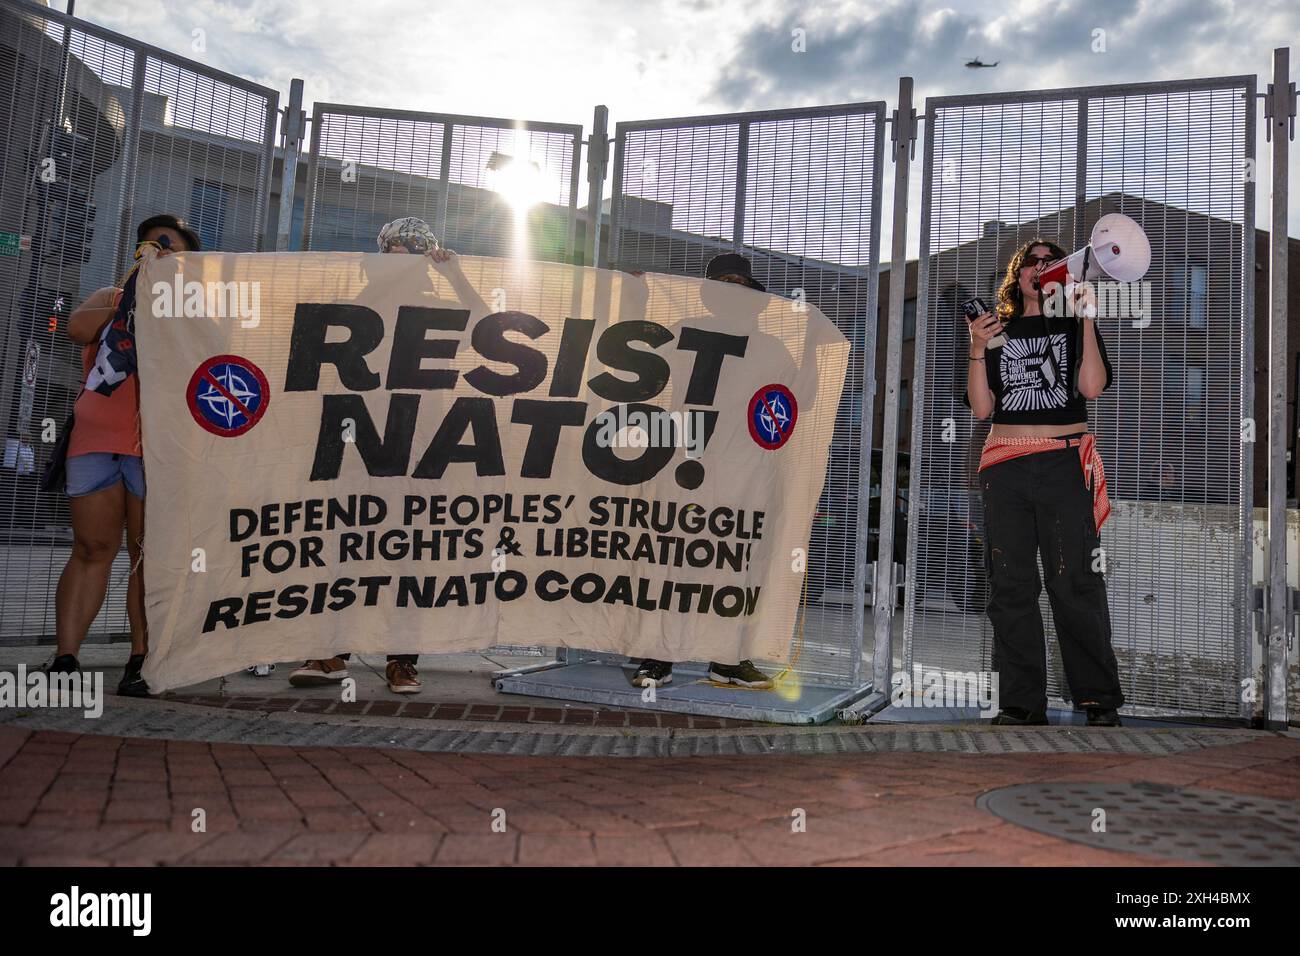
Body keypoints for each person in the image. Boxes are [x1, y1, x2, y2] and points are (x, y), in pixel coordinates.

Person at [287, 217, 458, 695]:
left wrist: (455, 277)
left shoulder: (439, 303)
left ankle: (402, 660)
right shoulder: (363, 304)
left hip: (423, 443)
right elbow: (326, 339)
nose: (398, 268)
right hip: (359, 437)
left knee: (411, 553)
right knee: (349, 541)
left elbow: (498, 327)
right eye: (390, 258)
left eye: (410, 259)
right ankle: (331, 653)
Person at [965, 238, 1124, 727]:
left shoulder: (1074, 326)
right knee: (1011, 586)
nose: (1038, 267)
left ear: (1059, 274)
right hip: (1006, 466)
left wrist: (1089, 319)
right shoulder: (999, 331)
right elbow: (982, 408)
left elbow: (1092, 388)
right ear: (1017, 276)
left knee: (1075, 581)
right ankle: (1021, 704)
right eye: (1029, 262)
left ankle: (1097, 700)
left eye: (1048, 261)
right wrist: (976, 348)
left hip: (1062, 463)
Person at [52, 214, 201, 696]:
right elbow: (76, 329)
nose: (156, 248)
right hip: (96, 440)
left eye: (167, 244)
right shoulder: (112, 297)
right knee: (92, 548)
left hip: (156, 448)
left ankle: (140, 659)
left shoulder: (193, 309)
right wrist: (131, 298)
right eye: (149, 243)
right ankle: (65, 658)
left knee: (146, 556)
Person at [629, 252, 775, 691]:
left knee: (736, 561)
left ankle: (729, 659)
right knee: (672, 556)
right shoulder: (681, 332)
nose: (733, 291)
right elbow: (636, 356)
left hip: (742, 468)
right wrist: (637, 296)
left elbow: (795, 402)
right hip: (685, 459)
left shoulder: (771, 346)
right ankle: (657, 658)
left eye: (741, 284)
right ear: (709, 294)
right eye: (724, 283)